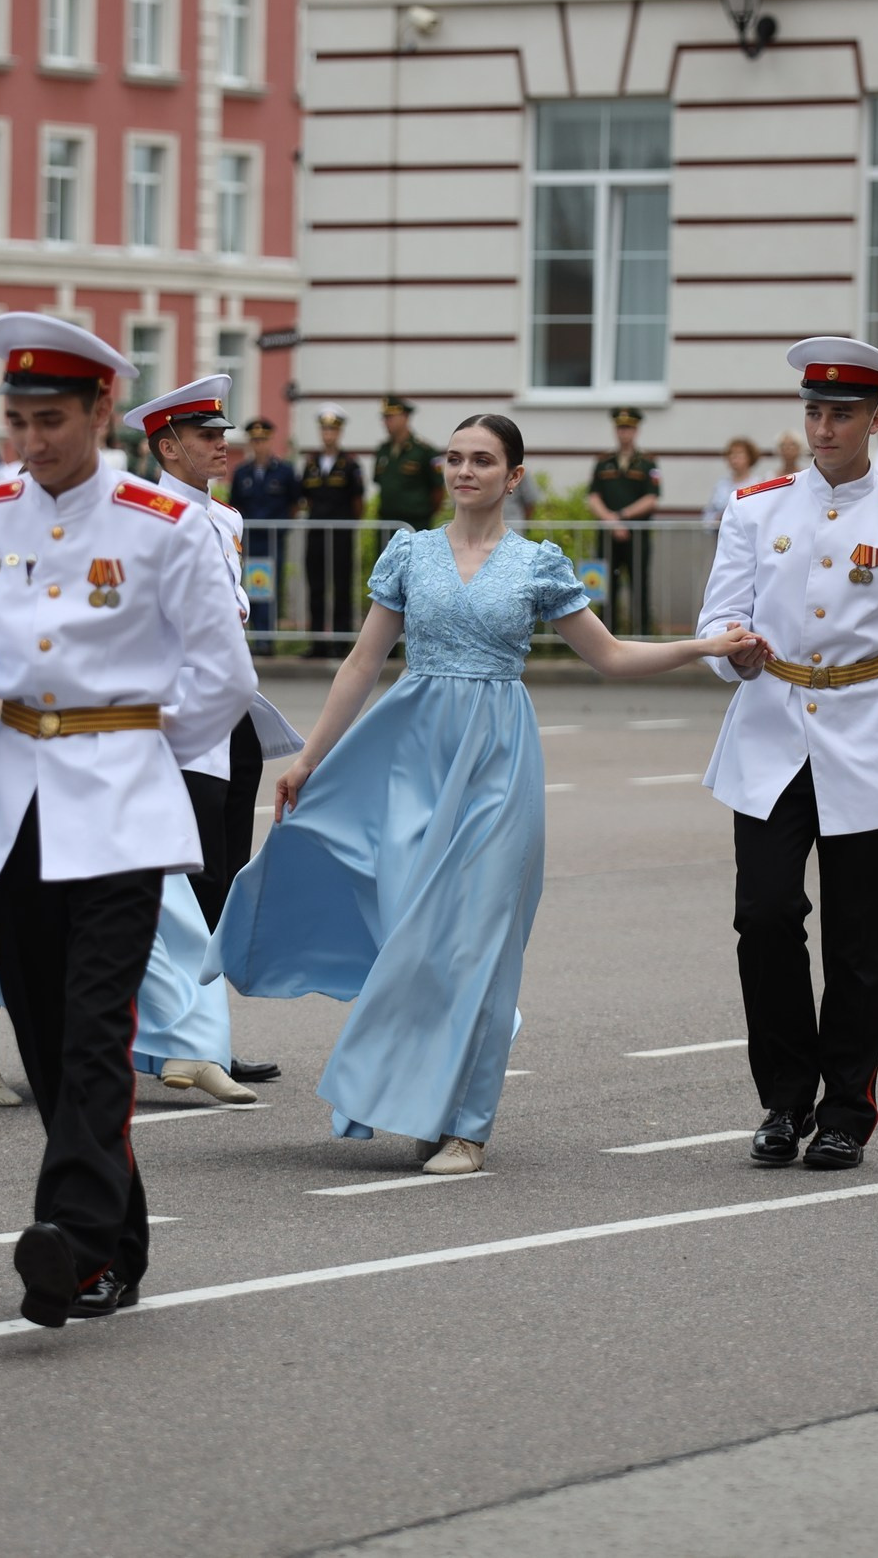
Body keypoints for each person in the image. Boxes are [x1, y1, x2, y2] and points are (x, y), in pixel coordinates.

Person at [213, 414, 751, 1179]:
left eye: (483, 460)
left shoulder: (537, 563)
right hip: (413, 759)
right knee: (416, 936)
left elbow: (609, 656)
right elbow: (362, 664)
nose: (465, 470)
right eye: (455, 458)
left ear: (513, 475)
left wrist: (705, 647)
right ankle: (423, 1099)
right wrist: (309, 757)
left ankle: (467, 1125)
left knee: (482, 943)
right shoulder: (410, 553)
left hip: (499, 762)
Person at [0, 313, 253, 1328]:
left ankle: (67, 1234)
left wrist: (137, 749)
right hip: (11, 801)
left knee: (98, 1025)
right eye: (18, 421)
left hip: (119, 805)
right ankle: (114, 1246)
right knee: (49, 1033)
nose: (32, 442)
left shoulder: (164, 521)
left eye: (52, 420)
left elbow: (221, 676)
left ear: (102, 409)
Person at [696, 337, 878, 1174]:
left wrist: (866, 683)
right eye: (814, 411)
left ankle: (847, 1108)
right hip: (770, 733)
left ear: (875, 419)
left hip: (870, 743)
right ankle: (785, 1099)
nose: (824, 427)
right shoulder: (755, 508)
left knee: (859, 939)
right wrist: (737, 654)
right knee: (765, 914)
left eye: (842, 414)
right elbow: (718, 623)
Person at [130, 376, 296, 1089]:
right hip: (180, 717)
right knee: (184, 880)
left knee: (223, 878)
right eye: (206, 436)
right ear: (168, 446)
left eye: (221, 434)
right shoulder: (145, 518)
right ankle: (184, 1042)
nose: (221, 445)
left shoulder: (224, 518)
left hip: (232, 715)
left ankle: (208, 1039)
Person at [230, 416, 302, 650]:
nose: (259, 445)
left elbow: (294, 504)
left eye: (263, 440)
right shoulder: (242, 473)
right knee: (252, 587)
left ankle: (267, 638)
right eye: (255, 440)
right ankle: (255, 636)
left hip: (273, 539)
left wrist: (282, 527)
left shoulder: (284, 471)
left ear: (270, 441)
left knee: (269, 587)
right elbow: (235, 505)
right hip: (250, 540)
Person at [589, 407, 662, 636]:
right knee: (604, 585)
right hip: (608, 535)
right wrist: (611, 522)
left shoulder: (648, 463)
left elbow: (651, 499)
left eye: (628, 428)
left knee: (639, 584)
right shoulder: (603, 462)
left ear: (636, 431)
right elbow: (593, 497)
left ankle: (641, 635)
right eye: (620, 428)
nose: (624, 433)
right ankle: (603, 636)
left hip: (636, 535)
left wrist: (622, 517)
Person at [299, 404, 365, 642]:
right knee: (316, 584)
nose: (328, 435)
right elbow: (305, 497)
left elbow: (358, 501)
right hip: (316, 531)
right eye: (324, 430)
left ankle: (340, 640)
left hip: (341, 532)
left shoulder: (350, 464)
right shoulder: (311, 463)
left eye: (332, 430)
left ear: (339, 432)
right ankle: (317, 641)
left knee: (341, 585)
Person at [370, 395, 442, 532]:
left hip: (415, 522)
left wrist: (425, 513)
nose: (386, 422)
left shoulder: (423, 451)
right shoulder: (383, 450)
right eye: (385, 418)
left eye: (390, 417)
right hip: (387, 522)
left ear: (405, 417)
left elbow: (437, 490)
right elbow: (379, 482)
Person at [705, 438, 763, 528]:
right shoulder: (721, 484)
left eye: (739, 454)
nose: (734, 458)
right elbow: (708, 515)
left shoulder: (758, 484)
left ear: (750, 457)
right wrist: (717, 519)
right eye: (731, 454)